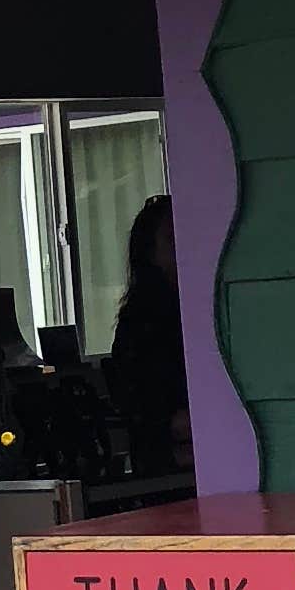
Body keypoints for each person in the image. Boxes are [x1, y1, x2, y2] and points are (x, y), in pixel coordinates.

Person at [105, 195, 191, 478]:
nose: (185, 246)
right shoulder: (141, 324)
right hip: (166, 465)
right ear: (150, 253)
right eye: (172, 239)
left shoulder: (200, 311)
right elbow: (139, 404)